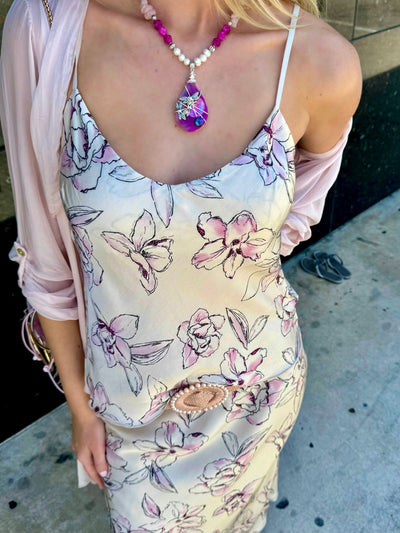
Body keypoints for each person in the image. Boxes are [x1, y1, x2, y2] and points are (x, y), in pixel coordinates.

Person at [0, 0, 362, 531]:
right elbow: (45, 260)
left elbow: (284, 231)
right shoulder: (45, 28)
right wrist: (80, 407)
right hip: (129, 416)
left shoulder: (321, 60)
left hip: (261, 394)